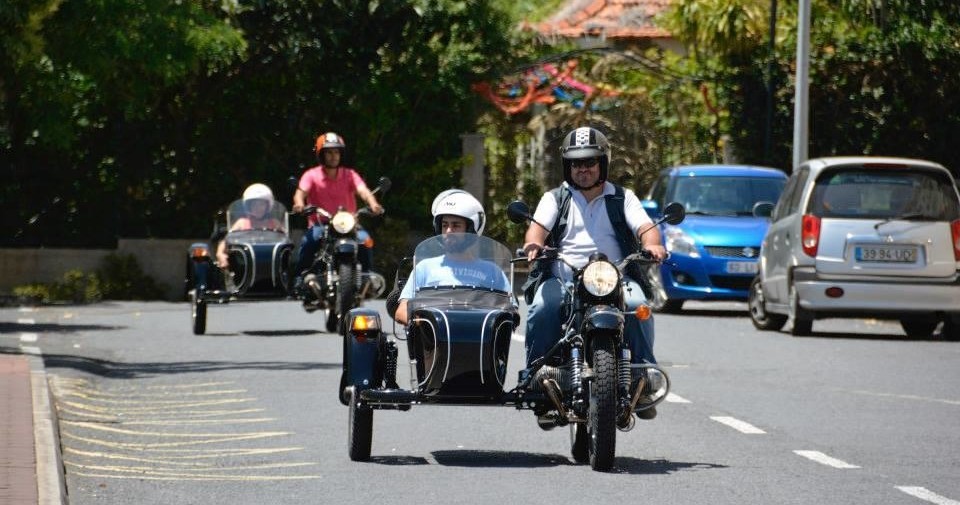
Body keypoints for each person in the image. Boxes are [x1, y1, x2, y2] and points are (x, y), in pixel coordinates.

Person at [521, 126, 666, 420]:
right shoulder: (555, 198)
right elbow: (536, 230)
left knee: (638, 305)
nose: (583, 169)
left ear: (603, 164)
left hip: (615, 277)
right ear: (567, 166)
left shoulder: (622, 198)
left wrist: (653, 246)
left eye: (589, 162)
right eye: (576, 163)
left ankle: (642, 378)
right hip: (564, 276)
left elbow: (646, 228)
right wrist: (534, 244)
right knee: (542, 307)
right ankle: (539, 375)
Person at [391, 189, 511, 325]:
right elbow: (401, 310)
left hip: (479, 341)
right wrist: (421, 322)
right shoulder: (424, 268)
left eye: (456, 225)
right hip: (433, 343)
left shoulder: (492, 272)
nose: (448, 231)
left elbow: (510, 309)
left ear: (470, 229)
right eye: (444, 225)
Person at [291, 132, 384, 294]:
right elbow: (300, 192)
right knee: (309, 241)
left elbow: (364, 191)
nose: (333, 156)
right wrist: (299, 204)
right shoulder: (311, 175)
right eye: (329, 152)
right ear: (321, 154)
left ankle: (367, 276)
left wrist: (374, 204)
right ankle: (301, 276)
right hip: (322, 223)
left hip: (348, 224)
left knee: (365, 240)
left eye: (336, 152)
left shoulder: (349, 175)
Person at [215, 183, 284, 270]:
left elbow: (285, 241)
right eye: (254, 204)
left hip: (271, 264)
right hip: (246, 266)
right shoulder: (241, 223)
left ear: (267, 206)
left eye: (261, 204)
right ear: (248, 206)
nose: (258, 208)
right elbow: (227, 240)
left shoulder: (274, 223)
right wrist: (221, 254)